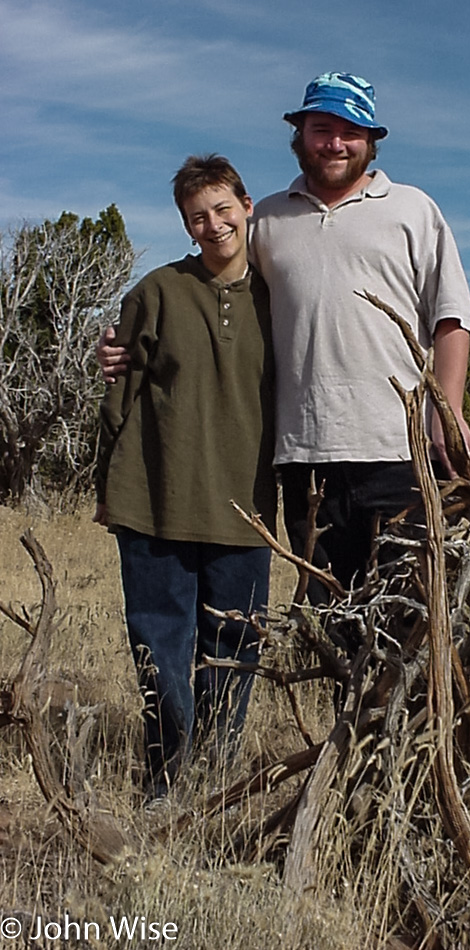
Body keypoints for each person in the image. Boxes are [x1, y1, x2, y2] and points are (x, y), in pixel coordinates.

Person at [98, 72, 470, 606]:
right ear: (299, 135)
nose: (335, 143)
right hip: (304, 455)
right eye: (322, 129)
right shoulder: (268, 218)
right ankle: (343, 697)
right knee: (330, 611)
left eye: (351, 131)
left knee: (407, 609)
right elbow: (212, 282)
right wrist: (127, 337)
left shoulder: (413, 209)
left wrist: (448, 413)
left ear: (372, 141)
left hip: (399, 447)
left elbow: (451, 317)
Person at [94, 155, 276, 803]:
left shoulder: (280, 295)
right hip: (155, 499)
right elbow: (120, 393)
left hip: (245, 506)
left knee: (234, 649)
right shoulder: (156, 293)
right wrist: (108, 487)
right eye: (198, 216)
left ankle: (213, 779)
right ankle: (166, 777)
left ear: (248, 205)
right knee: (160, 644)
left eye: (224, 208)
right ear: (185, 225)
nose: (215, 224)